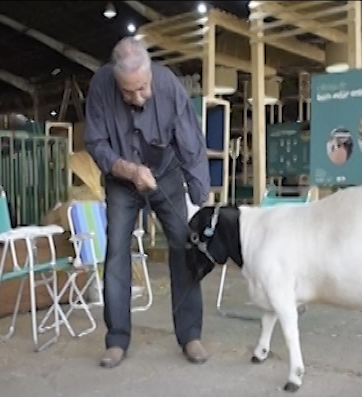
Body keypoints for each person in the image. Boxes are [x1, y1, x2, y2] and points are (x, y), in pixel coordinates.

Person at [83, 37, 211, 369]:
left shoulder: (168, 86)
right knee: (115, 254)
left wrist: (200, 195)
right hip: (121, 179)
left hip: (165, 174)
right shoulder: (100, 86)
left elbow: (191, 143)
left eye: (142, 88)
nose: (138, 97)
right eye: (128, 92)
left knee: (183, 247)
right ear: (115, 79)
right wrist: (127, 169)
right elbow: (95, 141)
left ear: (150, 74)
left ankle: (190, 334)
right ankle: (117, 339)